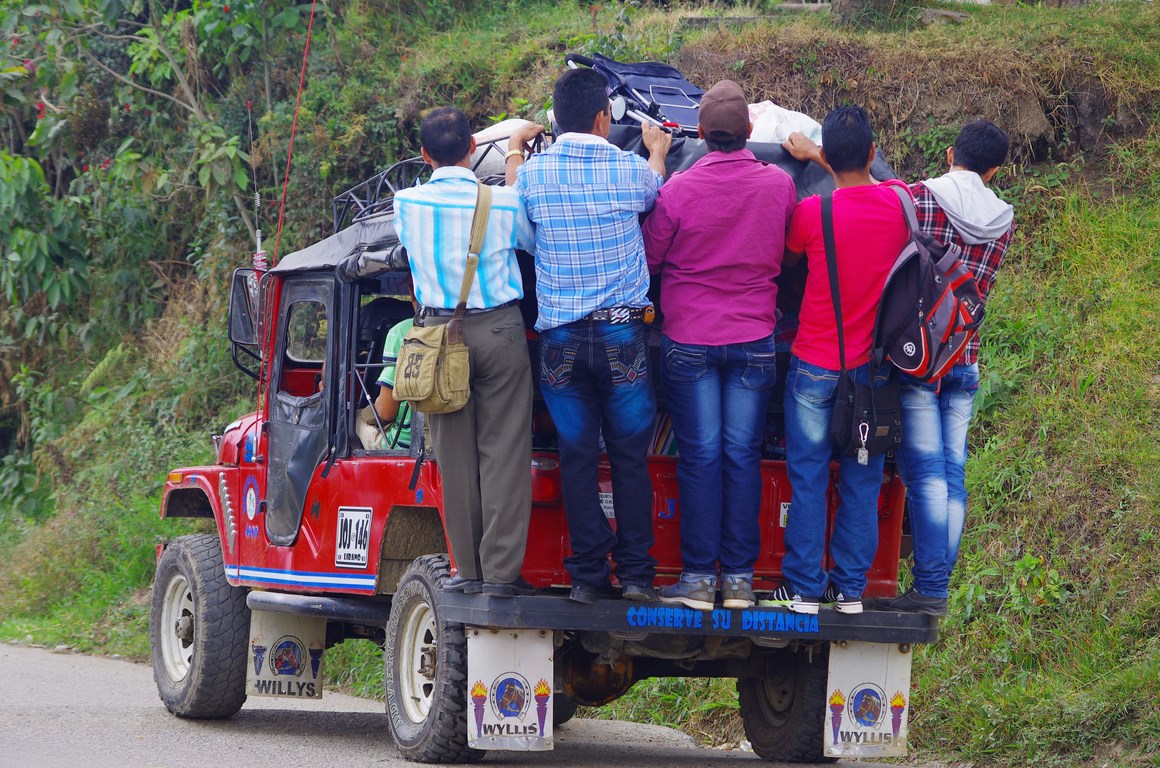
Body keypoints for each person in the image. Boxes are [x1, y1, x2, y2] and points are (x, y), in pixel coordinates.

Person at [783, 120, 1014, 615]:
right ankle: (881, 589)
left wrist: (811, 156)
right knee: (900, 478)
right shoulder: (970, 215)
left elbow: (835, 207)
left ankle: (816, 589)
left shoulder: (903, 201)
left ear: (950, 154)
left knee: (838, 475)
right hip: (921, 364)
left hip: (865, 362)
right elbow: (867, 184)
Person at [504, 68, 671, 604]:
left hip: (561, 344)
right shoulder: (628, 171)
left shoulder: (533, 177)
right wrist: (656, 150)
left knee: (576, 454)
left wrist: (513, 152)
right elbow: (657, 190)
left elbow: (515, 222)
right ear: (603, 119)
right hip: (622, 337)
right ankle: (639, 576)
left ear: (556, 120)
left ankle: (587, 577)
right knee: (628, 455)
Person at [640, 80, 796, 610]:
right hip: (754, 339)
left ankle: (700, 580)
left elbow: (652, 260)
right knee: (742, 456)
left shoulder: (678, 190)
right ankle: (740, 582)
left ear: (701, 133)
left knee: (701, 457)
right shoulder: (778, 185)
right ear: (750, 132)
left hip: (689, 340)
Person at [761, 106, 911, 616]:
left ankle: (801, 588)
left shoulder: (812, 214)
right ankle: (848, 590)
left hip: (814, 367)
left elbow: (789, 259)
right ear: (872, 152)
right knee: (863, 481)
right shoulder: (903, 204)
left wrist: (815, 159)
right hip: (873, 375)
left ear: (826, 157)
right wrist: (828, 160)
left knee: (807, 476)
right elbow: (876, 184)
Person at [392, 106, 537, 597]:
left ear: (424, 154)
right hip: (499, 330)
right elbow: (529, 243)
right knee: (505, 452)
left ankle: (467, 572)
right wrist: (515, 158)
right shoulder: (500, 201)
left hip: (438, 335)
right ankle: (500, 577)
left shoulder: (406, 203)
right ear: (474, 147)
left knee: (453, 455)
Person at [356, 314, 414, 451]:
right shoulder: (467, 328)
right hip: (454, 444)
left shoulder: (402, 332)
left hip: (403, 445)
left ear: (413, 293)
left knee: (351, 419)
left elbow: (386, 412)